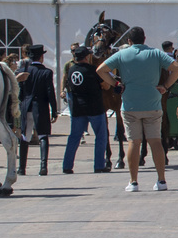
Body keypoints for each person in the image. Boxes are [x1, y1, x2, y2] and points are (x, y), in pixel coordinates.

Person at [97, 27, 178, 192]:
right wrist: (165, 86)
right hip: (153, 103)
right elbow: (176, 68)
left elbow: (101, 70)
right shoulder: (155, 53)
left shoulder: (121, 54)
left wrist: (116, 84)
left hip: (130, 104)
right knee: (155, 141)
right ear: (144, 39)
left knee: (133, 142)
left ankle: (133, 181)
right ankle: (161, 180)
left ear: (129, 41)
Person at [61, 45, 111, 175]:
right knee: (101, 136)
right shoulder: (93, 70)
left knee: (74, 137)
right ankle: (99, 165)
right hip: (94, 107)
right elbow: (105, 86)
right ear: (87, 56)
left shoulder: (71, 70)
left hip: (78, 108)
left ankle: (67, 165)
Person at [16, 44, 57, 176]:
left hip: (26, 105)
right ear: (41, 57)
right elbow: (50, 92)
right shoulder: (46, 72)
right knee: (43, 135)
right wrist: (54, 110)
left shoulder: (23, 71)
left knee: (25, 136)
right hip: (40, 106)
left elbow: (20, 92)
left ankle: (22, 168)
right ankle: (43, 167)